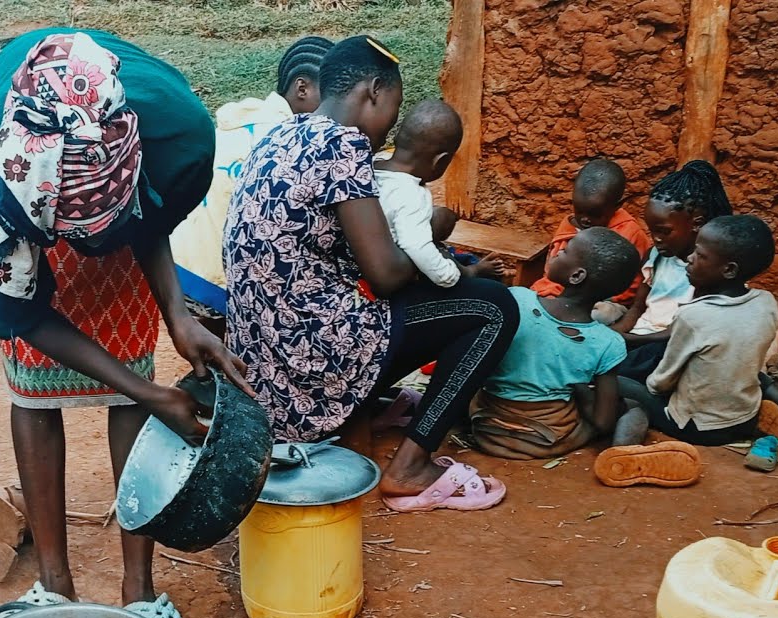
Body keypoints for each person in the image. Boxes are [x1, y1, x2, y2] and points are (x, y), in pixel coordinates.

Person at [0, 29, 248, 618]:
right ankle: (55, 582)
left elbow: (155, 218)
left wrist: (175, 313)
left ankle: (138, 592)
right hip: (41, 201)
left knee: (127, 377)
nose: (85, 246)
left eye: (98, 231)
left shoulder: (178, 135)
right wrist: (154, 396)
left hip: (117, 180)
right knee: (31, 385)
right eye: (74, 234)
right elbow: (24, 315)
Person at [224, 35, 519, 513]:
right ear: (374, 91)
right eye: (394, 108)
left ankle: (361, 411)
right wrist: (434, 237)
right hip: (311, 361)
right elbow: (384, 274)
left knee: (407, 289)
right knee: (492, 306)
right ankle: (411, 467)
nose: (390, 130)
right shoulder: (343, 145)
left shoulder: (281, 134)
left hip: (265, 358)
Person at [594, 214, 778, 486]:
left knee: (612, 381)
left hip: (696, 428)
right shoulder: (765, 301)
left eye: (699, 255)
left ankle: (625, 453)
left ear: (729, 270)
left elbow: (660, 383)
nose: (689, 259)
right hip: (745, 417)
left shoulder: (695, 316)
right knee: (736, 361)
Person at [170, 36, 334, 331]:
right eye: (333, 97)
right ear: (302, 88)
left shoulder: (242, 122)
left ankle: (214, 357)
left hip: (174, 273)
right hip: (214, 281)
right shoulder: (288, 140)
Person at [470, 228, 642, 460]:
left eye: (566, 251)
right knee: (633, 407)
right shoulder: (607, 343)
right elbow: (603, 422)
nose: (556, 253)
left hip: (486, 428)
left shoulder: (516, 299)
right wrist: (580, 389)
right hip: (546, 441)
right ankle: (620, 456)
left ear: (576, 276)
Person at [610, 160, 732, 378]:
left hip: (671, 343)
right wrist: (616, 334)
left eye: (664, 231)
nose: (656, 238)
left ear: (696, 223)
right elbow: (637, 308)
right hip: (641, 337)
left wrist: (634, 341)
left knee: (650, 361)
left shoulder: (710, 272)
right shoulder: (656, 256)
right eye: (651, 230)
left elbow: (688, 330)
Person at [371, 99, 505, 287]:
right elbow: (415, 246)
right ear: (440, 162)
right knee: (436, 252)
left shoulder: (373, 164)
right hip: (394, 269)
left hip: (365, 261)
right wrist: (449, 277)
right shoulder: (410, 195)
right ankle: (471, 271)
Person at [530, 159, 653, 318]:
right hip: (561, 292)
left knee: (600, 314)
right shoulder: (570, 224)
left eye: (595, 214)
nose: (585, 219)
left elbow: (633, 282)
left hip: (604, 301)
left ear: (617, 206)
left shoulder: (630, 233)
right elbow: (553, 268)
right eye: (579, 210)